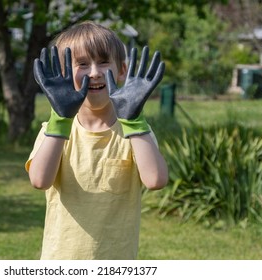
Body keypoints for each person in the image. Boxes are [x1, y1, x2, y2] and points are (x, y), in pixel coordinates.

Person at [25, 20, 168, 260]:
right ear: (64, 74)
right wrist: (60, 119)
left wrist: (134, 121)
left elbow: (155, 180)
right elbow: (39, 180)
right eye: (82, 64)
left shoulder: (135, 132)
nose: (94, 72)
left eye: (103, 62)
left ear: (122, 70)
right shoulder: (54, 130)